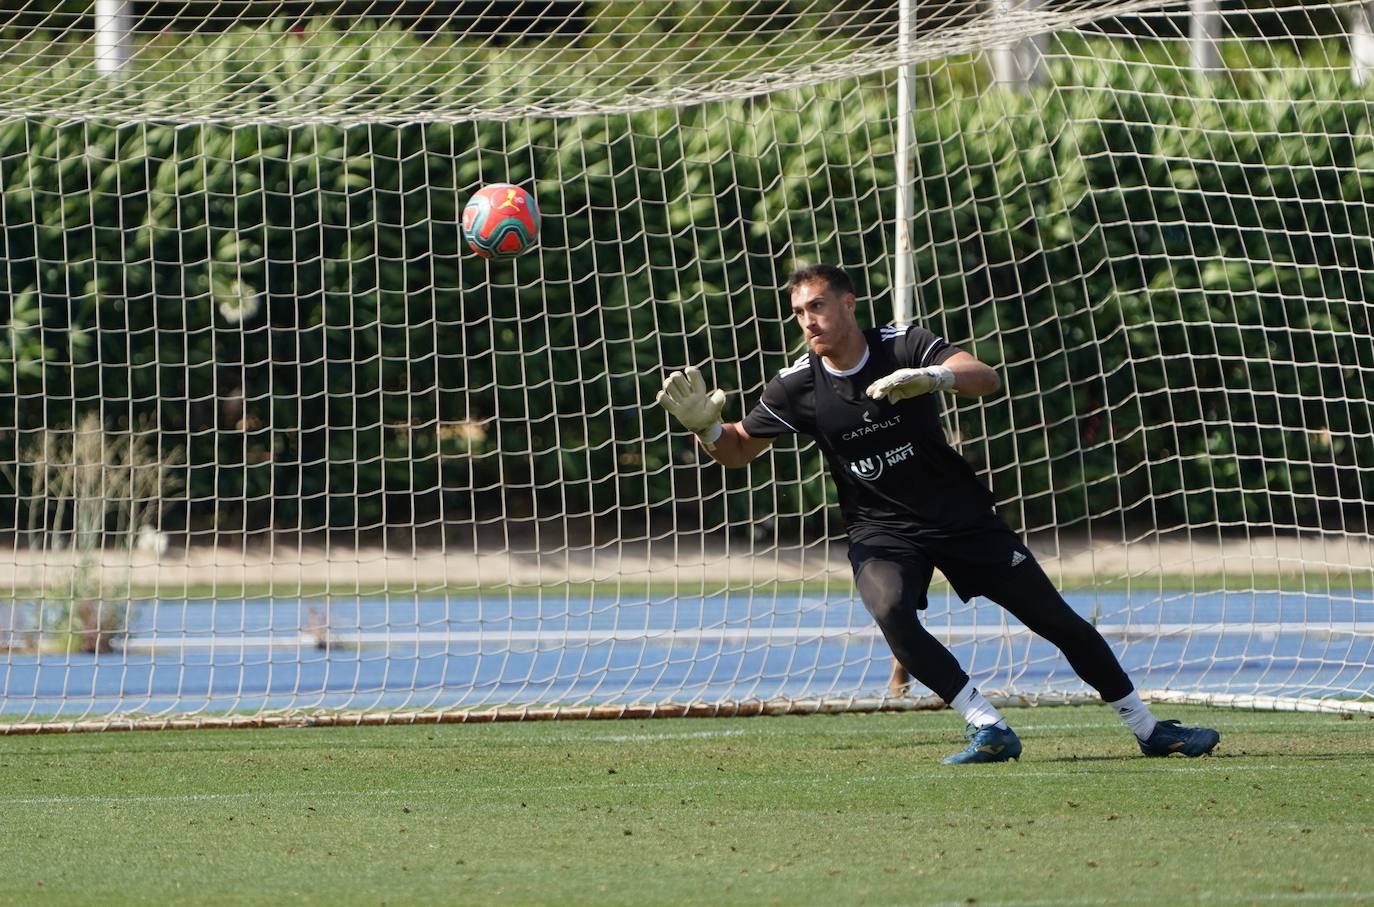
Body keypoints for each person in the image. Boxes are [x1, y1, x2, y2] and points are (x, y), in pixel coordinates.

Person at [655, 263, 1220, 763]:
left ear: (848, 304)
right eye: (800, 311)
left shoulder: (904, 345)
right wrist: (705, 426)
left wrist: (933, 377)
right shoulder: (796, 385)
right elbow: (735, 451)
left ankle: (1149, 730)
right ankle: (987, 726)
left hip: (961, 517)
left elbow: (984, 377)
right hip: (882, 531)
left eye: (819, 306)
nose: (809, 320)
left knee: (1057, 622)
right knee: (890, 610)